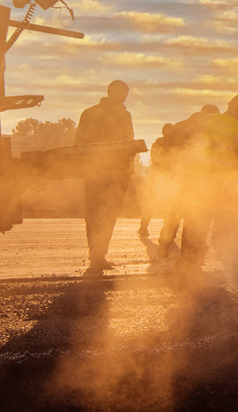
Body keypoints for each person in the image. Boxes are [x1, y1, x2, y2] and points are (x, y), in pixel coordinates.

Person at [177, 94, 238, 271]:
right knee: (227, 222)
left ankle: (188, 263)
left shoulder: (208, 119)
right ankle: (230, 257)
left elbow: (185, 136)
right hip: (222, 186)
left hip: (197, 181)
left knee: (195, 221)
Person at [74, 80, 135, 272]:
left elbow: (78, 144)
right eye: (123, 94)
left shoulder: (89, 113)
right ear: (112, 93)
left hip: (98, 172)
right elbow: (129, 141)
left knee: (96, 215)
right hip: (111, 172)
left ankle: (97, 256)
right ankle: (97, 256)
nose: (125, 98)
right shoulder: (122, 115)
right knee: (105, 214)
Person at [157, 104, 220, 258]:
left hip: (178, 179)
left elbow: (167, 153)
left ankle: (165, 244)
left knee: (174, 214)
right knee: (194, 219)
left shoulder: (180, 126)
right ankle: (190, 256)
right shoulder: (205, 129)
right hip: (194, 180)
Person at [138, 123, 174, 239]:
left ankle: (164, 230)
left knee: (164, 206)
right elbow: (156, 160)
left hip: (166, 179)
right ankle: (144, 227)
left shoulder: (169, 144)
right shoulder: (160, 144)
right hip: (160, 179)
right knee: (155, 204)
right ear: (163, 132)